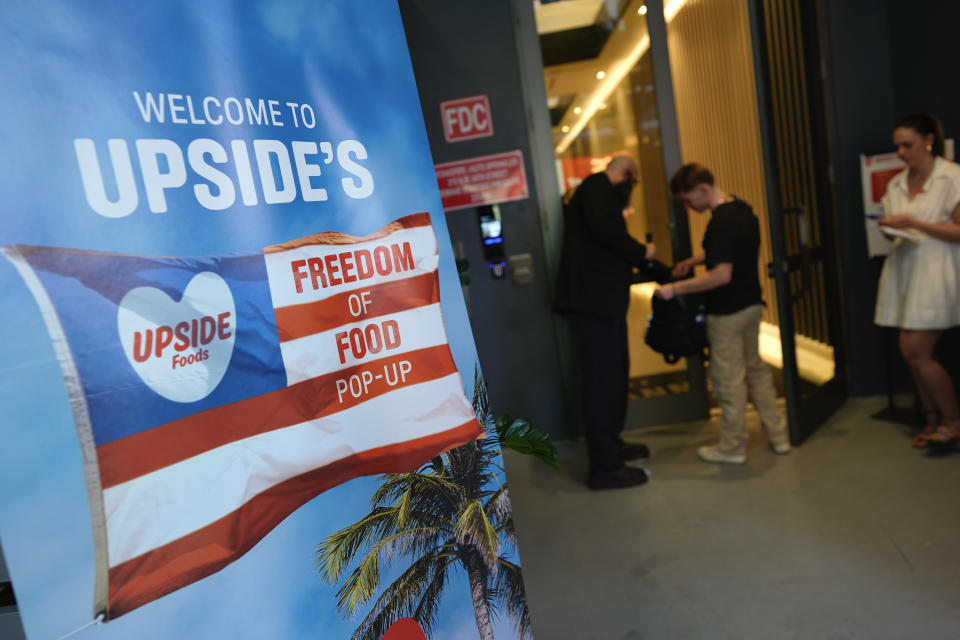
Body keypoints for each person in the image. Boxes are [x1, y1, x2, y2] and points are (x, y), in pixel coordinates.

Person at [656, 163, 791, 464]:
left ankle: (732, 448)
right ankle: (779, 436)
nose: (689, 208)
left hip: (727, 312)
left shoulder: (720, 222)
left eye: (689, 200)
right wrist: (693, 260)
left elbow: (720, 275)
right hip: (752, 305)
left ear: (703, 189)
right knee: (756, 371)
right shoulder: (743, 210)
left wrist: (674, 290)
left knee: (728, 380)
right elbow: (728, 251)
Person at [554, 156, 658, 489]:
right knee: (602, 384)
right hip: (594, 306)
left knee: (612, 378)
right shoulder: (598, 188)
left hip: (601, 305)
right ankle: (605, 467)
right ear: (626, 175)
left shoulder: (591, 191)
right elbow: (608, 232)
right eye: (634, 182)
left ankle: (611, 447)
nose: (632, 189)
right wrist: (643, 252)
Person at [874, 114, 960, 450]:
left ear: (927, 140)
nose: (901, 152)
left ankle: (953, 420)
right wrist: (892, 227)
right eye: (897, 145)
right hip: (905, 271)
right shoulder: (896, 183)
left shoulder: (951, 176)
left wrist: (914, 223)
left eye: (907, 144)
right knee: (906, 350)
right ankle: (931, 418)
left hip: (937, 274)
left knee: (917, 349)